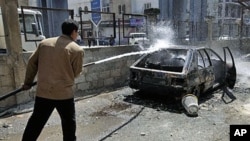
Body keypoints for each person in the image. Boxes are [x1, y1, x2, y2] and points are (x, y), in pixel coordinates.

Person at [21, 19, 84, 141]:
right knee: (68, 124)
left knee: (36, 122)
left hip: (43, 93)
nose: (77, 34)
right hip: (64, 95)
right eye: (77, 32)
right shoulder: (76, 50)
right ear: (73, 32)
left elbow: (32, 63)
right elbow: (76, 73)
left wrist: (28, 83)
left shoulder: (44, 44)